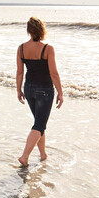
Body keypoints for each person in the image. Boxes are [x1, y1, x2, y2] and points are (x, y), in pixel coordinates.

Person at [15, 17, 63, 166]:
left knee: (39, 122)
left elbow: (19, 72)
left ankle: (43, 155)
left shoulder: (22, 48)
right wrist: (60, 92)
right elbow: (54, 73)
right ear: (42, 30)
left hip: (28, 89)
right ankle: (24, 157)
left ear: (29, 31)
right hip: (44, 90)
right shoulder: (47, 49)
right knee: (39, 125)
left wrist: (18, 90)